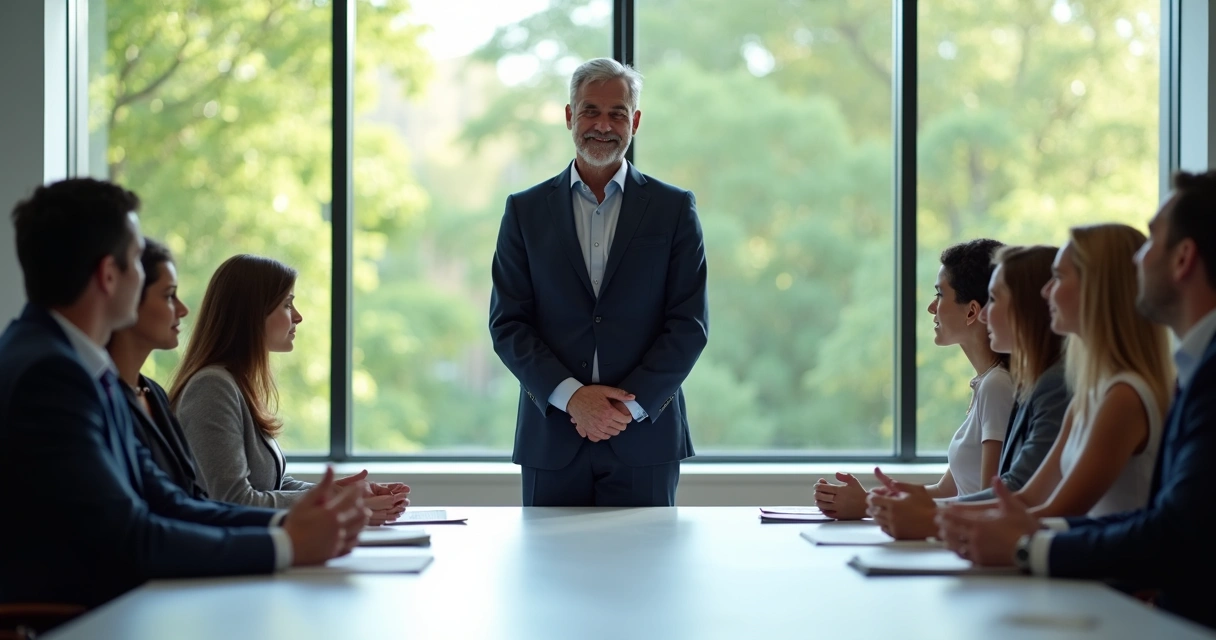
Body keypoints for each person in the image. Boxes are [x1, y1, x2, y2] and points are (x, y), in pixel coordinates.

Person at [0, 178, 368, 609]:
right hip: (75, 618)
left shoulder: (79, 366)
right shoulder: (51, 375)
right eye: (138, 260)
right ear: (109, 274)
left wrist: (293, 524)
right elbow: (133, 536)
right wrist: (288, 545)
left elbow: (171, 503)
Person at [938, 171, 1216, 629]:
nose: (1046, 291)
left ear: (1184, 258)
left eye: (1151, 242)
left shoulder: (1134, 393)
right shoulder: (1133, 384)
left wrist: (1017, 540)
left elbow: (1164, 530)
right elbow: (1035, 501)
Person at [488, 57, 709, 506]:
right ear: (569, 115)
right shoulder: (524, 211)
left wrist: (625, 407)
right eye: (590, 110)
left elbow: (689, 325)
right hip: (551, 439)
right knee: (550, 574)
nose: (603, 125)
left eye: (617, 113)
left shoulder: (674, 209)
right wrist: (572, 399)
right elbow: (508, 324)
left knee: (645, 575)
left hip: (645, 439)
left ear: (636, 121)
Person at [933, 225, 1174, 523]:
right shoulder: (1087, 395)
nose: (1045, 292)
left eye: (1058, 278)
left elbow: (1055, 512)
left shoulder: (1122, 396)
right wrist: (932, 511)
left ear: (1097, 289)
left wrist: (933, 514)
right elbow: (1029, 499)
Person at [171, 255, 409, 521]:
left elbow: (272, 488)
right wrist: (333, 500)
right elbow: (234, 501)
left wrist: (343, 492)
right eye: (287, 304)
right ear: (252, 313)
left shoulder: (235, 384)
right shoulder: (212, 387)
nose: (298, 316)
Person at [867, 245, 1069, 539]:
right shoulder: (1021, 384)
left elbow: (1002, 493)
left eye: (995, 299)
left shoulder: (1015, 385)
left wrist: (929, 517)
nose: (986, 314)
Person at [814, 240, 1014, 518]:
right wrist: (869, 498)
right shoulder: (986, 383)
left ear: (971, 311)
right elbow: (946, 490)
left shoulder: (997, 386)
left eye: (940, 295)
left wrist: (869, 506)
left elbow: (984, 504)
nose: (932, 308)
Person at [105, 238, 207, 498]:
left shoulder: (154, 393)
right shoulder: (102, 396)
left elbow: (192, 497)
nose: (183, 310)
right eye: (169, 295)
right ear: (128, 298)